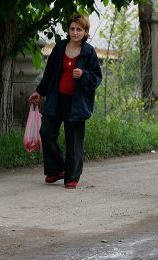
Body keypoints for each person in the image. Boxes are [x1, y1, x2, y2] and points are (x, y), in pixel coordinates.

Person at [28, 14, 102, 189]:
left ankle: (72, 177)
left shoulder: (89, 51)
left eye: (79, 29)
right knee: (46, 132)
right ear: (68, 30)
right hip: (55, 99)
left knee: (74, 140)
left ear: (85, 32)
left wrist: (84, 75)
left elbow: (97, 78)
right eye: (72, 29)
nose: (75, 32)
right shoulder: (60, 47)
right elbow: (49, 73)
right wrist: (40, 91)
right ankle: (56, 170)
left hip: (77, 102)